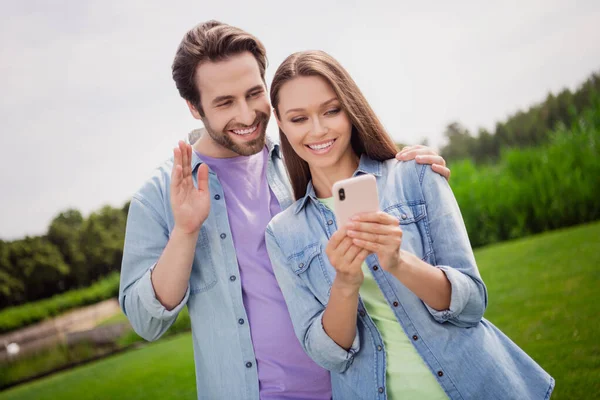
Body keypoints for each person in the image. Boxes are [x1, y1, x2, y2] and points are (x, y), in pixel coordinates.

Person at [118, 20, 451, 399]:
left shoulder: (303, 159)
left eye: (253, 93)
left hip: (355, 384)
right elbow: (146, 322)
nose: (245, 115)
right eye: (224, 102)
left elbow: (371, 173)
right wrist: (185, 231)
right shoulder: (159, 194)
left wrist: (410, 160)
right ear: (194, 108)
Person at [265, 50, 555, 400]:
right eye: (299, 118)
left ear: (350, 108)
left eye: (331, 110)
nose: (318, 129)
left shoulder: (416, 176)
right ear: (280, 123)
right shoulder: (283, 233)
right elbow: (328, 354)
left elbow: (472, 303)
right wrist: (345, 283)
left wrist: (399, 262)